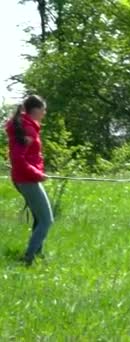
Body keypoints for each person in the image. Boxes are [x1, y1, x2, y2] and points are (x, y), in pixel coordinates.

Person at [5, 95, 53, 266]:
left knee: (39, 218)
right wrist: (37, 174)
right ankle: (29, 258)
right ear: (36, 110)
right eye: (43, 110)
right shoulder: (28, 129)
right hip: (27, 179)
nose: (44, 113)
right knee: (47, 220)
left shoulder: (26, 126)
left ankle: (36, 254)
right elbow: (18, 158)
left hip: (24, 178)